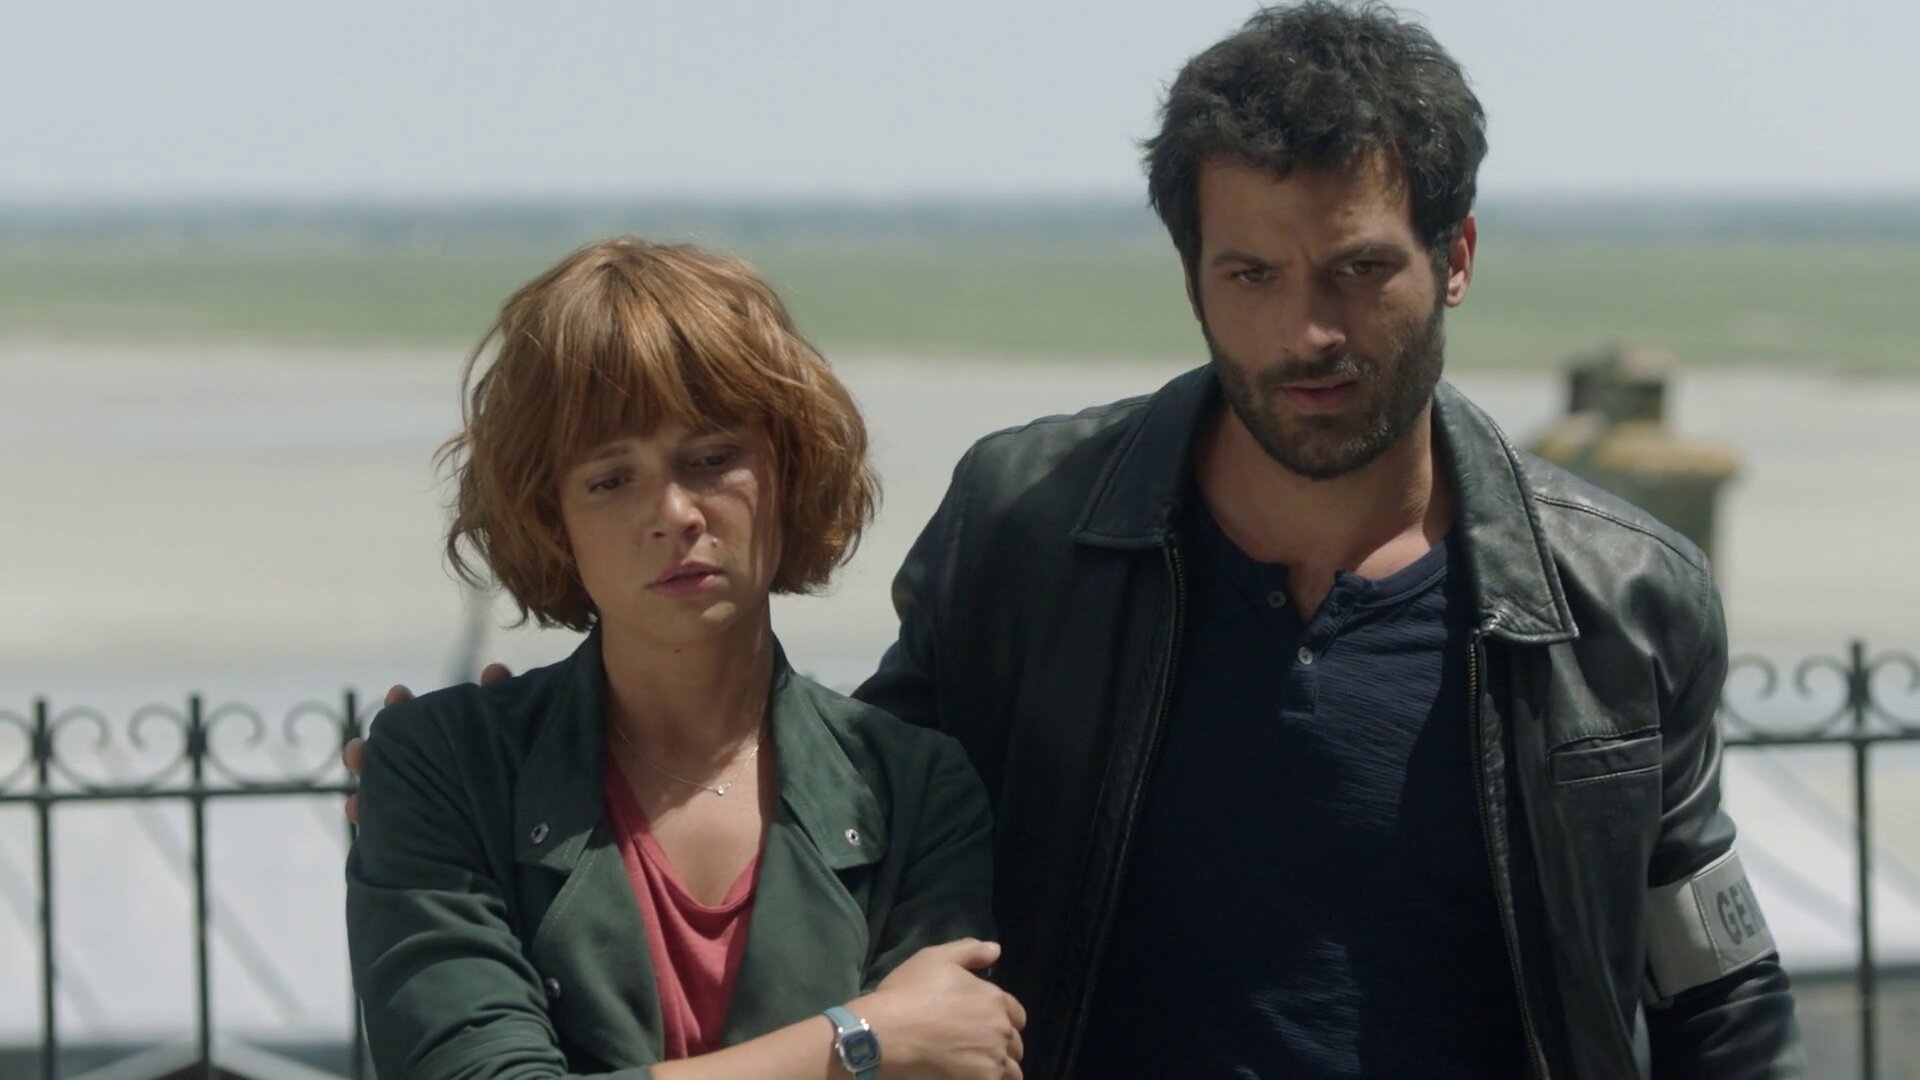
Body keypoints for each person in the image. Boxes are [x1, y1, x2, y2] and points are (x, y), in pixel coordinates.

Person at [356, 4, 1805, 1076]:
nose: (1307, 330)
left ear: (1458, 256)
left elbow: (1714, 984)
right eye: (1252, 273)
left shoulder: (1621, 597)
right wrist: (524, 770)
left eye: (1360, 269)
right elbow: (828, 819)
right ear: (1191, 276)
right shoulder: (1031, 531)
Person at [346, 237, 1025, 1079]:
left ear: (789, 468)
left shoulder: (912, 787)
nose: (674, 512)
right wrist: (859, 1039)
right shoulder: (448, 765)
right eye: (610, 480)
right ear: (551, 519)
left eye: (712, 459)